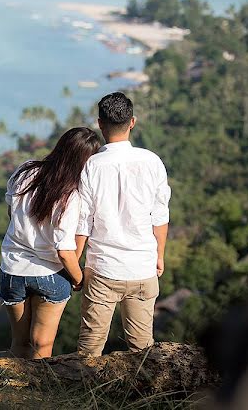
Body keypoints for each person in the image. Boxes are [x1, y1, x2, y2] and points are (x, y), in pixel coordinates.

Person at [75, 91, 170, 356]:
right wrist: (159, 256)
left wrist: (74, 265)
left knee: (89, 351)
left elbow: (84, 222)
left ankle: (80, 397)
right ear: (132, 122)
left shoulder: (92, 166)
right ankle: (148, 397)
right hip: (142, 268)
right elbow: (160, 216)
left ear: (100, 124)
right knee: (143, 350)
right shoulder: (152, 161)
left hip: (103, 268)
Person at [0, 126, 101, 358]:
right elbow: (64, 251)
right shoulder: (70, 196)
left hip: (13, 268)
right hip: (50, 273)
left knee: (20, 343)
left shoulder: (25, 171)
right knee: (41, 346)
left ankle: (12, 387)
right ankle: (36, 392)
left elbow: (11, 212)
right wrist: (79, 279)